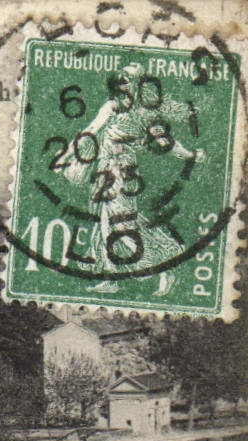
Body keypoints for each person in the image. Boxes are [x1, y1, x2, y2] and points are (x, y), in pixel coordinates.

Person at [57, 63, 206, 297]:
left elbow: (166, 143)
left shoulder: (142, 114)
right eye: (123, 78)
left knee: (121, 226)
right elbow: (90, 131)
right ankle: (111, 278)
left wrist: (190, 155)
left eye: (131, 79)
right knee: (106, 225)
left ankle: (165, 266)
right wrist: (66, 155)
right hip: (105, 172)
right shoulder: (111, 107)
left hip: (123, 175)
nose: (126, 83)